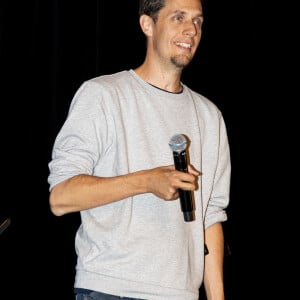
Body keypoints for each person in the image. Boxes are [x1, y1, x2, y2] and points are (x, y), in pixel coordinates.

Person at [48, 0, 231, 299]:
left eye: (198, 21)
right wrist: (147, 181)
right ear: (148, 24)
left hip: (181, 293)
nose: (191, 29)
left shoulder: (210, 116)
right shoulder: (103, 95)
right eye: (179, 17)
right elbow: (61, 198)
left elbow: (210, 217)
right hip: (111, 289)